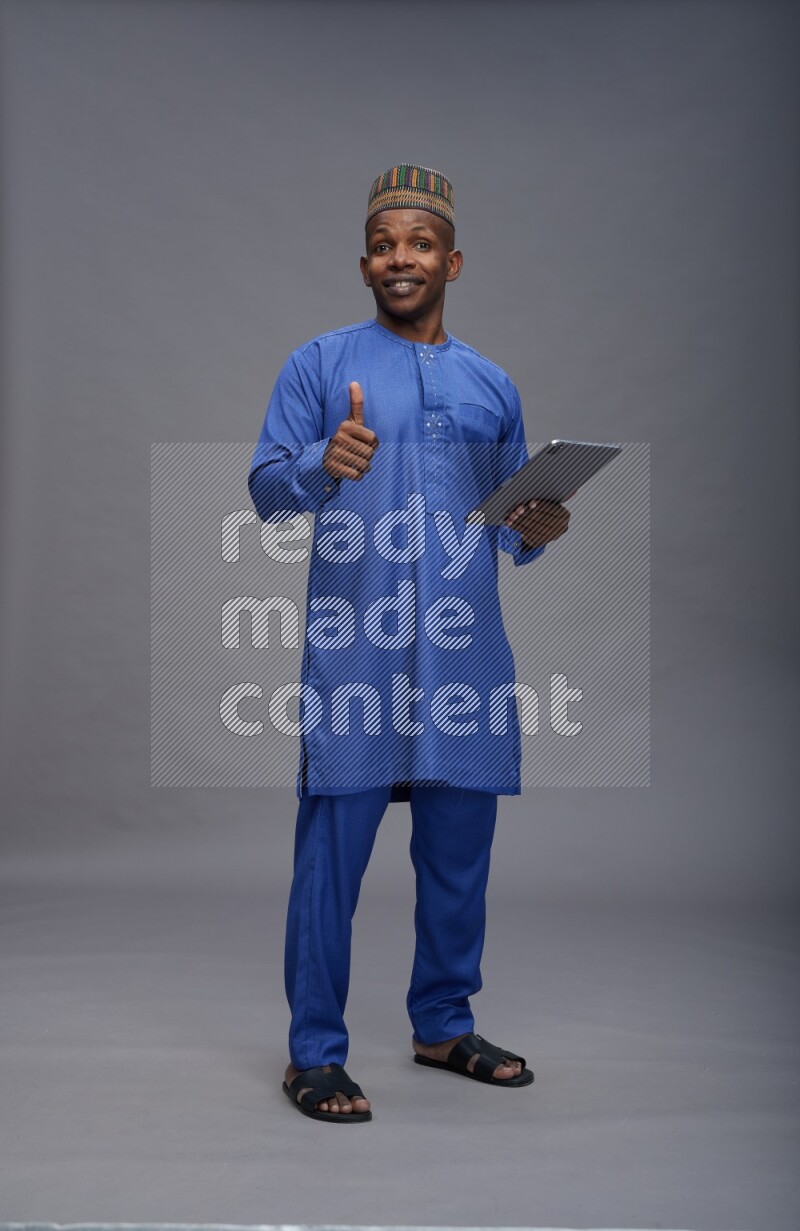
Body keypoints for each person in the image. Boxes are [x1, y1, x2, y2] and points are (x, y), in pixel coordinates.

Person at [248, 164, 570, 1123]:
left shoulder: (490, 383)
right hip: (357, 651)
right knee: (331, 860)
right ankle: (313, 1053)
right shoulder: (319, 364)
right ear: (364, 263)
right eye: (385, 244)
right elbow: (266, 488)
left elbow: (511, 520)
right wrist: (320, 461)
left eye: (419, 244)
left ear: (452, 261)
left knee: (459, 855)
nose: (402, 258)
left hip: (464, 657)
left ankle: (441, 1024)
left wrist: (538, 530)